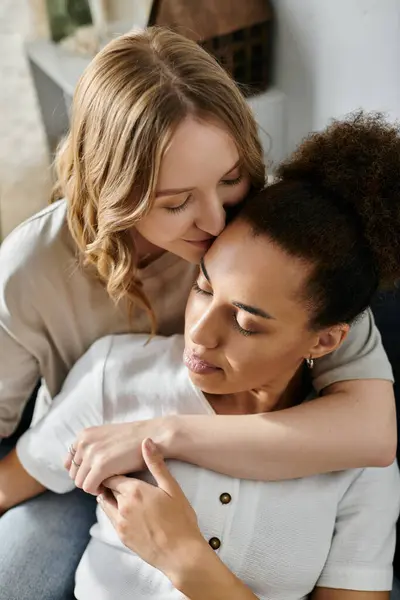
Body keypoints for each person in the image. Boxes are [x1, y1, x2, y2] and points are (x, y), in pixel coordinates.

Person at [0, 27, 395, 598]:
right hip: (92, 469)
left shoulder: (271, 238)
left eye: (231, 178)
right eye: (176, 202)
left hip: (223, 455)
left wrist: (162, 433)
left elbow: (372, 436)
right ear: (115, 190)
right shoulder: (31, 271)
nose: (215, 222)